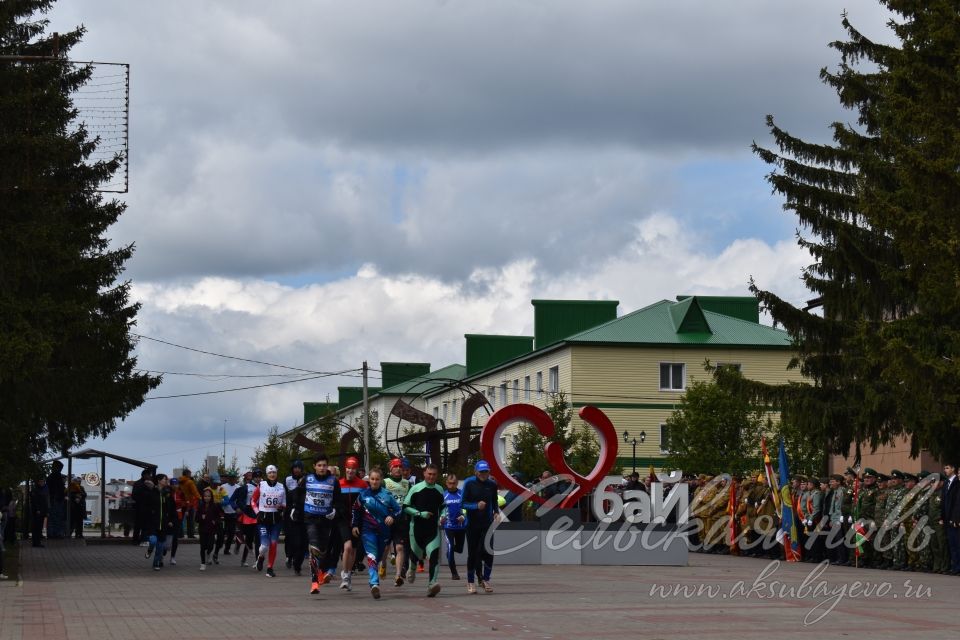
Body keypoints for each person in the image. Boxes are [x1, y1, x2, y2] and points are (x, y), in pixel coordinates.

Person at [351, 467, 403, 600]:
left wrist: (391, 516)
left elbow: (398, 510)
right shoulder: (363, 495)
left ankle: (374, 578)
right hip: (367, 531)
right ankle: (374, 583)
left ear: (381, 480)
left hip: (384, 532)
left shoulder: (387, 495)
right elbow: (355, 510)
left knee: (378, 557)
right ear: (369, 480)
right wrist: (355, 525)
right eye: (372, 479)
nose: (374, 482)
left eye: (377, 479)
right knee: (372, 556)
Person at [298, 454, 341, 594]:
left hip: (326, 519)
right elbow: (297, 495)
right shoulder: (307, 479)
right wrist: (294, 508)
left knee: (323, 551)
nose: (322, 468)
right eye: (319, 465)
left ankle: (321, 571)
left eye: (324, 465)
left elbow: (338, 500)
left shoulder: (333, 481)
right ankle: (314, 582)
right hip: (310, 517)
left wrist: (334, 509)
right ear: (314, 467)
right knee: (314, 548)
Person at [403, 463, 445, 597]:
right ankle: (412, 569)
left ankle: (432, 584)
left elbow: (443, 507)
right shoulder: (416, 488)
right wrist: (420, 514)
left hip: (432, 529)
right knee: (415, 555)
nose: (431, 477)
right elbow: (405, 507)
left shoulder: (439, 489)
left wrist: (443, 515)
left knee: (433, 556)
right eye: (429, 474)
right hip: (416, 529)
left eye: (434, 475)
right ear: (424, 473)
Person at [462, 460, 499, 593]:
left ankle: (486, 579)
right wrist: (475, 506)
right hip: (472, 524)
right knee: (473, 553)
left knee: (489, 551)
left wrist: (496, 512)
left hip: (487, 523)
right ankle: (470, 582)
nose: (484, 474)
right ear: (476, 472)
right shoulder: (469, 483)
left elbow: (494, 500)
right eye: (482, 472)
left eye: (486, 471)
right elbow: (463, 503)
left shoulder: (492, 484)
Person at [337, 456, 368, 590]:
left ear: (356, 470)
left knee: (353, 549)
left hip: (357, 521)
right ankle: (344, 575)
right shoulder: (339, 484)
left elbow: (367, 503)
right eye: (348, 468)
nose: (350, 471)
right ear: (345, 468)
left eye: (353, 469)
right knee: (347, 547)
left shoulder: (362, 485)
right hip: (343, 520)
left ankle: (348, 574)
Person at [252, 464, 286, 577]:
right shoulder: (261, 485)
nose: (272, 474)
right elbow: (253, 501)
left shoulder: (281, 486)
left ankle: (270, 568)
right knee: (265, 545)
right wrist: (258, 513)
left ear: (276, 473)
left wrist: (282, 507)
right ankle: (261, 557)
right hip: (263, 519)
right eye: (270, 473)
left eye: (274, 472)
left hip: (276, 520)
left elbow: (285, 503)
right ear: (266, 474)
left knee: (273, 543)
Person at [384, 458, 410, 586]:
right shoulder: (385, 482)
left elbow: (409, 501)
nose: (398, 469)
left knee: (400, 547)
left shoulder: (407, 483)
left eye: (400, 466)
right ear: (391, 469)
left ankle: (398, 575)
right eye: (395, 466)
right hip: (387, 519)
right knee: (385, 548)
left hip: (401, 520)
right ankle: (383, 564)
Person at [144, 474, 177, 571]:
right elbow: (146, 506)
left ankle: (156, 563)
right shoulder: (152, 492)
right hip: (153, 522)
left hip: (164, 523)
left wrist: (171, 520)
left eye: (167, 479)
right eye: (164, 479)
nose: (166, 481)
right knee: (153, 540)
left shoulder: (167, 493)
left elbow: (172, 508)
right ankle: (150, 549)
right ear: (158, 480)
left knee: (160, 546)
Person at [441, 473, 467, 579]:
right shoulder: (444, 495)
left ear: (457, 483)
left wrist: (463, 516)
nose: (452, 485)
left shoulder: (462, 494)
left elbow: (467, 508)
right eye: (450, 483)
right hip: (448, 527)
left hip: (461, 527)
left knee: (459, 549)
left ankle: (449, 552)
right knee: (451, 548)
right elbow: (441, 509)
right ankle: (454, 573)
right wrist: (441, 517)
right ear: (447, 483)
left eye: (454, 483)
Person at [284, 461, 307, 576]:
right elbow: (284, 497)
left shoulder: (307, 481)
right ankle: (289, 556)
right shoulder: (288, 481)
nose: (297, 470)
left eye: (299, 468)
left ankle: (297, 565)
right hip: (291, 515)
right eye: (295, 467)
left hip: (305, 516)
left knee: (303, 543)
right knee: (293, 539)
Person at [234, 469, 260, 567]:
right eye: (256, 477)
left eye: (259, 477)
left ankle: (248, 560)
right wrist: (241, 508)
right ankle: (238, 542)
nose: (258, 479)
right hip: (247, 514)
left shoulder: (263, 486)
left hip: (258, 514)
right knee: (246, 536)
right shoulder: (245, 487)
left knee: (253, 538)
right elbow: (238, 500)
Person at [196, 487, 223, 570]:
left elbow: (220, 516)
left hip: (211, 529)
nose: (207, 498)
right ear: (203, 497)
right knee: (202, 547)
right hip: (202, 529)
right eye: (205, 496)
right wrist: (201, 517)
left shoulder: (215, 506)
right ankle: (203, 563)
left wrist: (215, 521)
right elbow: (196, 519)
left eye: (208, 496)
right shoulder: (200, 506)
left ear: (211, 497)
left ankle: (209, 553)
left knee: (210, 546)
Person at [942, 462, 960, 575]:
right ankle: (954, 567)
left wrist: (956, 518)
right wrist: (942, 517)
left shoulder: (957, 484)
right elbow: (944, 502)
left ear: (953, 469)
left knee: (957, 545)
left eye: (947, 468)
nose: (945, 470)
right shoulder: (946, 483)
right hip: (948, 519)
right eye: (944, 468)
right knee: (952, 545)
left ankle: (957, 567)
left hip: (955, 520)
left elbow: (957, 504)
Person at [218, 471, 239, 558]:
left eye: (234, 478)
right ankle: (219, 545)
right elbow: (219, 498)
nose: (232, 479)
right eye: (230, 477)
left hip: (234, 512)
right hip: (224, 512)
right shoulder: (223, 487)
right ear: (228, 478)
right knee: (222, 532)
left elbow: (240, 499)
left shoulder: (238, 487)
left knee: (232, 532)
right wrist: (223, 503)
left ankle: (227, 548)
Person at [131, 468, 153, 545]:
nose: (150, 476)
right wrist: (143, 497)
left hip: (148, 508)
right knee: (138, 525)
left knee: (146, 526)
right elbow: (134, 496)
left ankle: (143, 540)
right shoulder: (138, 483)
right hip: (140, 508)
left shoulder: (151, 484)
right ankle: (135, 541)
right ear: (144, 475)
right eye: (149, 475)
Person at [178, 469, 200, 538]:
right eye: (190, 473)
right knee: (190, 520)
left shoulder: (179, 481)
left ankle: (180, 534)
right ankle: (190, 534)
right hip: (190, 503)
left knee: (180, 519)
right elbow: (195, 492)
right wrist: (200, 498)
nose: (191, 475)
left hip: (181, 503)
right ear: (187, 474)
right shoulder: (190, 482)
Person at [30, 476, 49, 547]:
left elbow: (45, 502)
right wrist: (37, 509)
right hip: (37, 512)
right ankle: (36, 542)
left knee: (40, 527)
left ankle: (38, 542)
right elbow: (34, 501)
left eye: (43, 481)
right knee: (36, 527)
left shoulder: (44, 490)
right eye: (40, 481)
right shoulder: (35, 490)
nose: (42, 483)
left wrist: (47, 511)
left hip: (43, 511)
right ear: (38, 482)